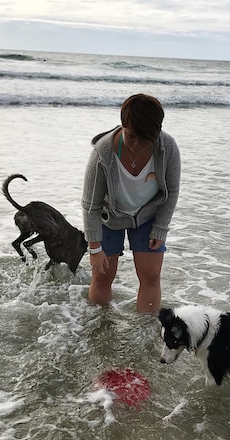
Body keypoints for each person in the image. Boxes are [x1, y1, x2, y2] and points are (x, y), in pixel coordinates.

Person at [81, 94, 181, 313]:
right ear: (123, 125)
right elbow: (91, 206)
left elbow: (171, 191)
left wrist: (161, 227)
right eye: (131, 136)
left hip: (147, 217)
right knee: (102, 276)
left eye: (145, 139)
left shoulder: (168, 148)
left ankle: (145, 335)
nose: (136, 144)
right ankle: (99, 327)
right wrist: (94, 248)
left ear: (157, 132)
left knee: (151, 277)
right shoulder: (103, 153)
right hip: (109, 218)